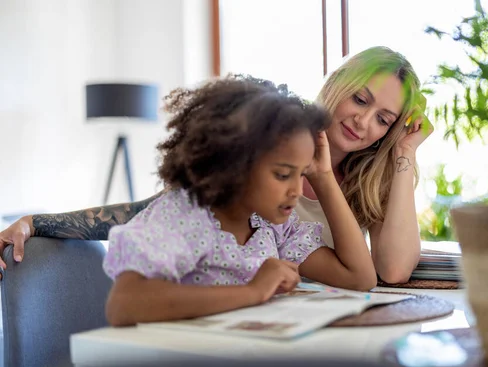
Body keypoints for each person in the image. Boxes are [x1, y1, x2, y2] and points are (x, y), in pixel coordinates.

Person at [0, 46, 433, 284]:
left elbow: (388, 271)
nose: (363, 120)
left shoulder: (360, 181)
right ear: (340, 84)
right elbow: (152, 210)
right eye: (361, 99)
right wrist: (37, 222)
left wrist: (404, 155)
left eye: (384, 119)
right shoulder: (270, 140)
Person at [101, 74, 376, 326]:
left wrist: (323, 175)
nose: (296, 190)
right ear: (234, 163)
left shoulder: (272, 226)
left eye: (302, 173)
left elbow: (360, 279)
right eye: (282, 174)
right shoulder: (186, 215)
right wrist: (252, 291)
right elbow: (124, 304)